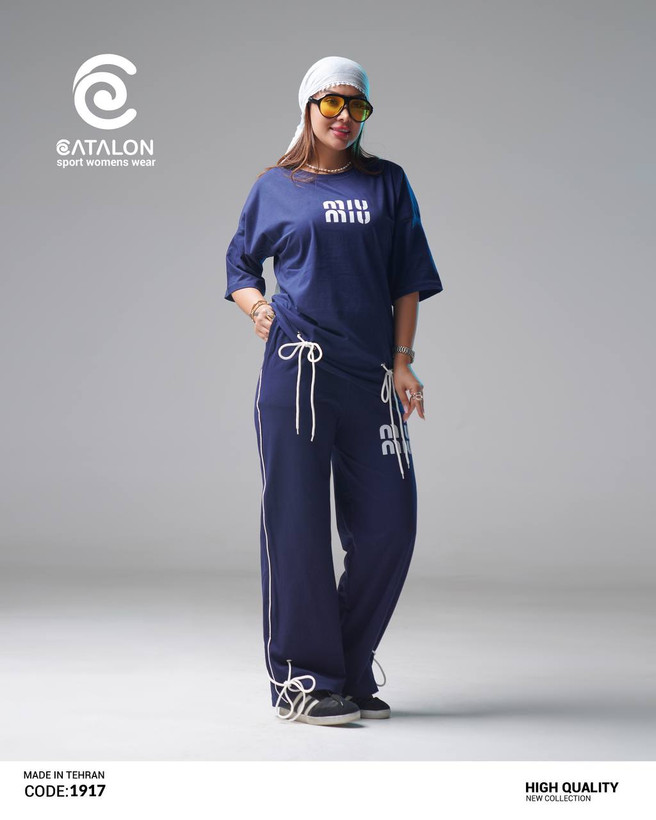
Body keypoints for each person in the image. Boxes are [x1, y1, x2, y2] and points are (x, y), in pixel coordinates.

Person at [225, 55, 443, 726]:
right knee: (297, 528)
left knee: (389, 528)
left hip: (370, 377)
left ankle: (344, 668)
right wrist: (256, 307)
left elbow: (407, 278)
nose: (344, 116)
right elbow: (239, 265)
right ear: (308, 107)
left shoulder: (387, 182)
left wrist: (403, 361)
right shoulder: (276, 185)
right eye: (331, 103)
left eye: (357, 106)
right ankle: (304, 681)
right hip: (298, 371)